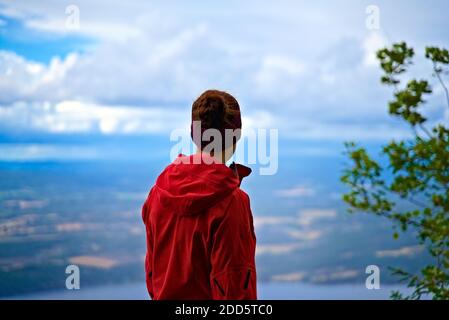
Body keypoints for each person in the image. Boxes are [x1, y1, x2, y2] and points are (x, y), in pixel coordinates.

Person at [142, 89, 257, 300]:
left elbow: (152, 273)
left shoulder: (157, 193)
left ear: (192, 133)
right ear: (237, 135)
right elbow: (235, 288)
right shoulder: (232, 202)